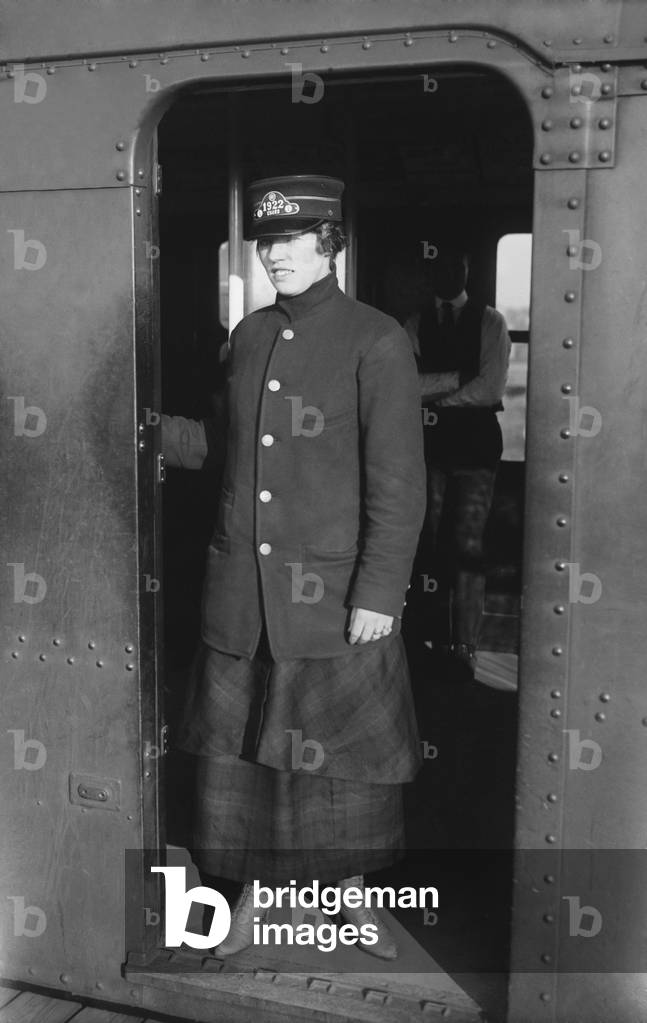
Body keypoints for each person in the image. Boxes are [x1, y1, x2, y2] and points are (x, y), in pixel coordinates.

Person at [161, 175, 426, 959]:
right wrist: (141, 429)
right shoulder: (247, 335)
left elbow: (399, 484)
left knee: (344, 767)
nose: (274, 254)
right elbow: (222, 447)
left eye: (291, 240)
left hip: (333, 598)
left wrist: (379, 590)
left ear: (329, 243)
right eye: (266, 242)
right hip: (243, 595)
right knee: (244, 760)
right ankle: (254, 897)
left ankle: (350, 898)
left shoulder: (376, 340)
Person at [404, 247, 511, 677]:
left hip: (476, 451)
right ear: (432, 271)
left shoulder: (492, 321)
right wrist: (456, 382)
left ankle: (464, 644)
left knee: (468, 548)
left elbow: (490, 388)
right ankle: (425, 638)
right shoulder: (413, 323)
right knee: (423, 544)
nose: (450, 270)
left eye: (457, 263)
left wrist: (435, 396)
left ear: (467, 268)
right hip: (427, 450)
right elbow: (406, 387)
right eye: (441, 264)